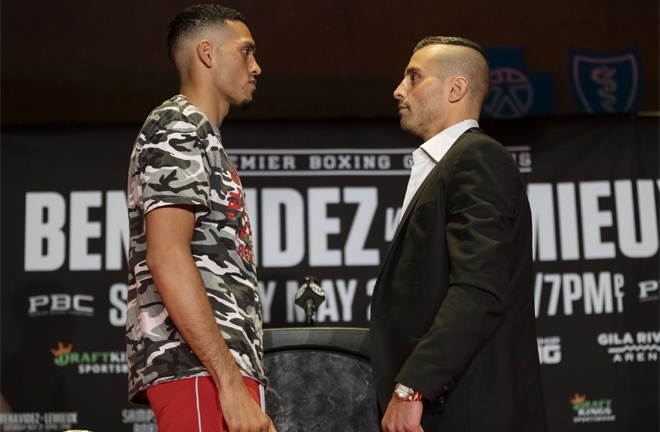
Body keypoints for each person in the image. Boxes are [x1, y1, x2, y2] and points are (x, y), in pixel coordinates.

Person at [369, 36, 548, 432]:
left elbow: (478, 288)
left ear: (456, 88)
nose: (399, 90)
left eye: (413, 77)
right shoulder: (445, 165)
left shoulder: (476, 157)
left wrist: (412, 387)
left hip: (468, 409)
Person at [126, 5, 276, 432]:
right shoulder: (178, 125)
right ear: (206, 54)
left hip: (215, 368)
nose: (257, 66)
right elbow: (167, 257)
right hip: (199, 371)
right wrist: (228, 384)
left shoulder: (203, 136)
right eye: (246, 52)